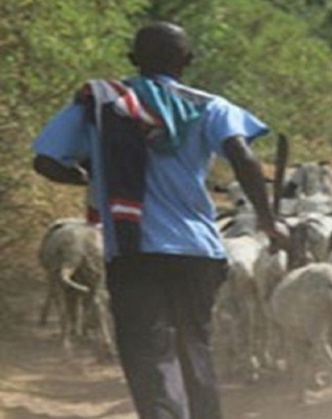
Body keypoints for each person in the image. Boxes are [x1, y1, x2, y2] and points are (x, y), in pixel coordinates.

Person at [32, 21, 288, 419]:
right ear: (187, 61)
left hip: (133, 251)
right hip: (198, 251)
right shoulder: (210, 106)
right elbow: (242, 155)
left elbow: (46, 161)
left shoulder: (102, 104)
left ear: (133, 60)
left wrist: (91, 175)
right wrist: (269, 220)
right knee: (195, 348)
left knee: (150, 357)